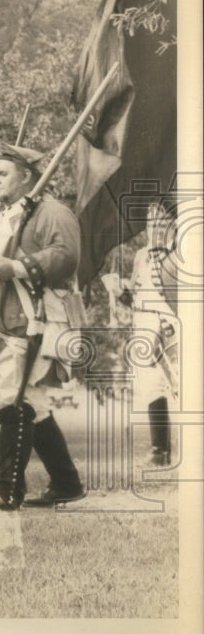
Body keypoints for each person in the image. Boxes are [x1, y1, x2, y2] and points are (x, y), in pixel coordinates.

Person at [0, 144, 85, 511]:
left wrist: (19, 267)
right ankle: (66, 483)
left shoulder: (52, 212)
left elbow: (66, 255)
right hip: (4, 325)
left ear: (27, 177)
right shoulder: (4, 218)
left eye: (3, 173)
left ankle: (6, 490)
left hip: (34, 320)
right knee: (32, 403)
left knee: (14, 401)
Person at [128, 195, 181, 468]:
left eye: (160, 220)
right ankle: (159, 448)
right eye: (150, 221)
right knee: (149, 385)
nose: (154, 226)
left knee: (181, 384)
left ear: (173, 222)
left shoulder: (182, 252)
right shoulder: (141, 255)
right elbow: (137, 288)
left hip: (172, 321)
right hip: (144, 322)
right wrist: (123, 291)